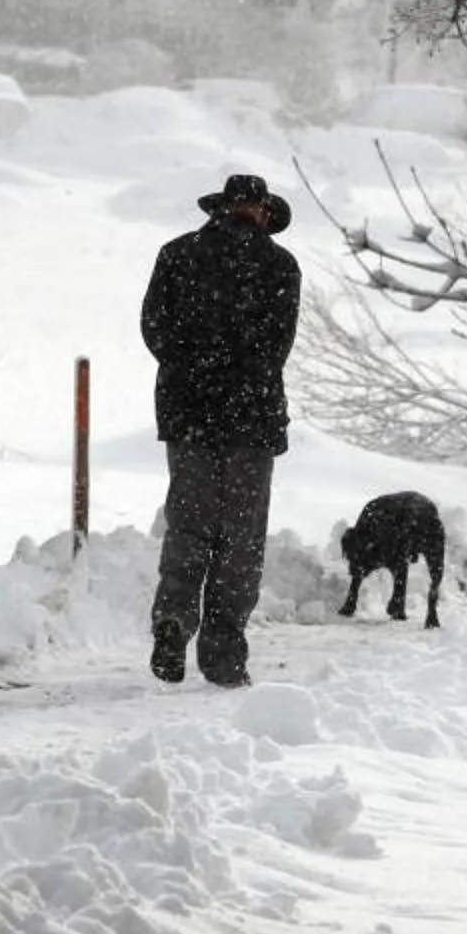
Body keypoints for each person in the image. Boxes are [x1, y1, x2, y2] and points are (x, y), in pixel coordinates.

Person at [140, 171, 301, 687]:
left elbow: (154, 329)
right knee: (241, 539)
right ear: (263, 213)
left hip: (188, 417)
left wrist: (193, 372)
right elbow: (277, 347)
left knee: (188, 526)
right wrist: (238, 378)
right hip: (250, 421)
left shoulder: (176, 255)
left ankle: (173, 619)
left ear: (220, 209)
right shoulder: (279, 266)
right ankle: (224, 652)